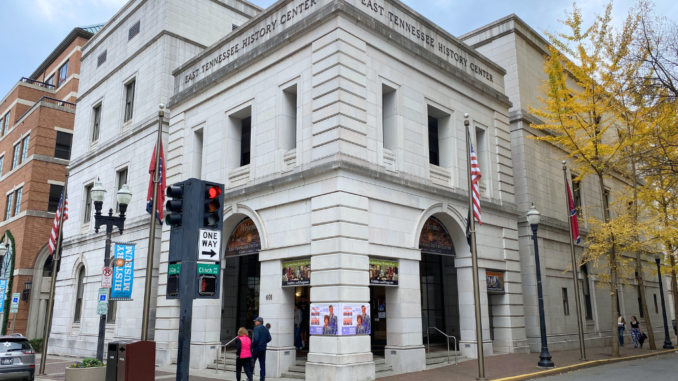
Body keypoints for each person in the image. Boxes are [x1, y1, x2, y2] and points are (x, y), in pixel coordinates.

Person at [252, 316, 272, 381]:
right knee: (262, 363)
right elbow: (269, 338)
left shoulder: (256, 328)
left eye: (256, 321)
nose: (255, 322)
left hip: (257, 347)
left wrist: (252, 346)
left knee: (252, 362)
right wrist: (264, 342)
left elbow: (256, 339)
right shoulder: (266, 329)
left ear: (259, 322)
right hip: (263, 348)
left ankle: (250, 376)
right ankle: (262, 378)